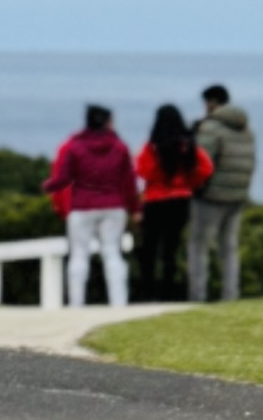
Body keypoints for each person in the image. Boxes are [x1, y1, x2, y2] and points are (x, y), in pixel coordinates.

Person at [47, 99, 136, 309]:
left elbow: (63, 177)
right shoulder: (120, 148)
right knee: (112, 253)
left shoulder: (74, 147)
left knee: (79, 255)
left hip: (82, 206)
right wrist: (136, 208)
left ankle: (76, 303)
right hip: (114, 206)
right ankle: (118, 303)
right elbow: (129, 181)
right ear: (107, 122)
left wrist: (48, 189)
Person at [192, 82, 259, 300]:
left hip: (211, 196)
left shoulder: (211, 128)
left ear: (211, 102)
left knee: (199, 246)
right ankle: (231, 294)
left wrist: (197, 188)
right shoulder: (245, 129)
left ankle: (197, 295)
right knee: (229, 247)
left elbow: (202, 163)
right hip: (238, 196)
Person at [134, 100, 204, 294]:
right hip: (180, 201)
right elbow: (205, 168)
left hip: (155, 201)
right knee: (171, 249)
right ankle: (169, 290)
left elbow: (141, 170)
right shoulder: (188, 145)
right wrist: (190, 184)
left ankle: (148, 290)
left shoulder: (152, 147)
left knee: (150, 248)